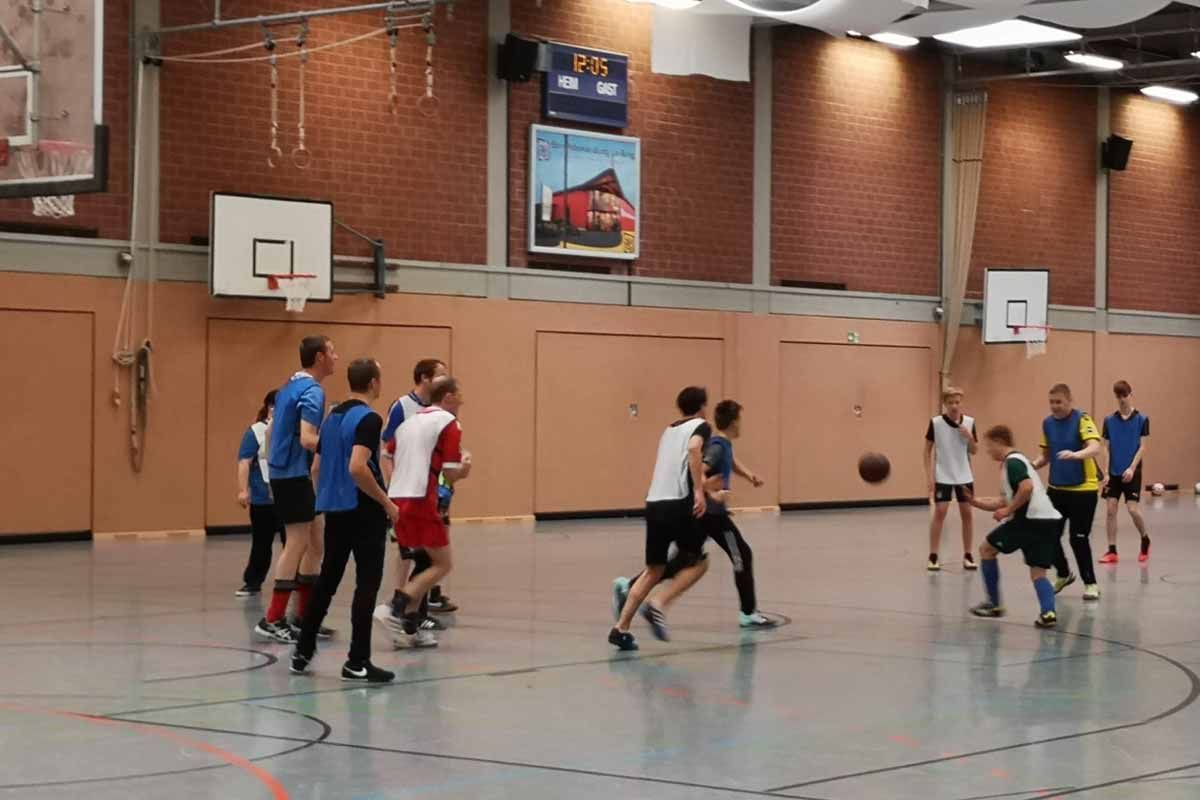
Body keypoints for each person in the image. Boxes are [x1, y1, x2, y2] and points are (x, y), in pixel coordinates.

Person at [612, 399, 774, 629]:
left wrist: (749, 476)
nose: (741, 424)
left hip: (705, 513)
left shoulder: (722, 444)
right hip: (712, 515)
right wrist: (710, 491)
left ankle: (628, 587)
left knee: (683, 561)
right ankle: (748, 612)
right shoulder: (717, 447)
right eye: (740, 420)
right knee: (741, 554)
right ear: (734, 422)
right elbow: (699, 469)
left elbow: (731, 462)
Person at [291, 359, 397, 683]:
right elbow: (357, 467)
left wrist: (324, 499)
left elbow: (316, 468)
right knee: (366, 584)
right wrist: (387, 503)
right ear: (374, 383)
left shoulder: (332, 418)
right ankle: (357, 661)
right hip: (364, 510)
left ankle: (302, 651)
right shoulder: (369, 419)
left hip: (335, 510)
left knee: (327, 580)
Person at [609, 387, 711, 651]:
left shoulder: (668, 431)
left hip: (654, 504)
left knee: (654, 569)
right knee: (699, 561)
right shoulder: (701, 426)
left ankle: (620, 629)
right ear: (701, 407)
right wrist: (699, 492)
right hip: (678, 503)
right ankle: (658, 604)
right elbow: (694, 449)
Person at [255, 335, 339, 644]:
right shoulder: (312, 391)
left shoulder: (289, 386)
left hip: (289, 474)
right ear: (319, 357)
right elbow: (307, 438)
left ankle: (304, 617)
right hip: (293, 475)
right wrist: (341, 448)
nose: (336, 357)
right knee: (297, 542)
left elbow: (271, 432)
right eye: (332, 352)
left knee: (316, 542)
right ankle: (273, 618)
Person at [377, 377, 472, 648]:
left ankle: (410, 627)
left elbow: (387, 453)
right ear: (448, 397)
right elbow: (450, 473)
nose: (462, 402)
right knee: (443, 563)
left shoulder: (409, 423)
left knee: (423, 561)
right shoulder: (449, 423)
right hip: (421, 498)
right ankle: (394, 607)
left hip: (398, 497)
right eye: (459, 396)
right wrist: (465, 467)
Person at [966, 425, 1063, 629]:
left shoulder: (1013, 462)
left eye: (989, 446)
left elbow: (1026, 488)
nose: (988, 451)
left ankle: (994, 604)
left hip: (1028, 520)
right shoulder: (1017, 462)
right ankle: (1048, 613)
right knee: (1038, 572)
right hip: (1047, 520)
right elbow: (1003, 501)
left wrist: (1008, 510)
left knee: (986, 549)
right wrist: (975, 502)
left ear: (999, 442)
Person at [1033, 383, 1103, 601]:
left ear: (1069, 401)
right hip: (1057, 489)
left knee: (1078, 538)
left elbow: (1095, 447)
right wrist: (1031, 465)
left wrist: (1076, 455)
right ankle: (1063, 574)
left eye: (1059, 402)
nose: (1055, 406)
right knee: (1049, 535)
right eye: (1051, 402)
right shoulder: (1047, 423)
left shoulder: (1082, 419)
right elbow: (1046, 456)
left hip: (1083, 490)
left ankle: (1090, 583)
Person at [235, 390, 286, 597]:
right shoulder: (255, 432)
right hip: (262, 499)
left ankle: (292, 580)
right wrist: (243, 490)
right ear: (269, 407)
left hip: (286, 496)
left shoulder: (291, 430)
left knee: (292, 542)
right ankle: (253, 581)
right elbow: (244, 462)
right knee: (261, 543)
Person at [923, 387, 978, 572]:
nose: (954, 406)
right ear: (945, 403)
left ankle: (968, 555)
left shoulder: (970, 422)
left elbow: (974, 450)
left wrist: (969, 437)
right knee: (940, 512)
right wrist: (929, 476)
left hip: (964, 475)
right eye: (950, 402)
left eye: (957, 402)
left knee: (967, 513)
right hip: (943, 474)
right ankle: (933, 555)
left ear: (961, 402)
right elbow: (926, 451)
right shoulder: (936, 423)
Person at [1100, 380, 1151, 564]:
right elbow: (1105, 448)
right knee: (1110, 510)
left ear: (1131, 395)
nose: (1122, 399)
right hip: (1113, 473)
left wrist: (1132, 468)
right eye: (1118, 396)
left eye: (1124, 395)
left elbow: (1143, 447)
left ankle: (1145, 539)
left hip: (1132, 472)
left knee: (1132, 510)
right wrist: (1106, 472)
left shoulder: (1142, 420)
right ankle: (1112, 550)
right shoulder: (1109, 421)